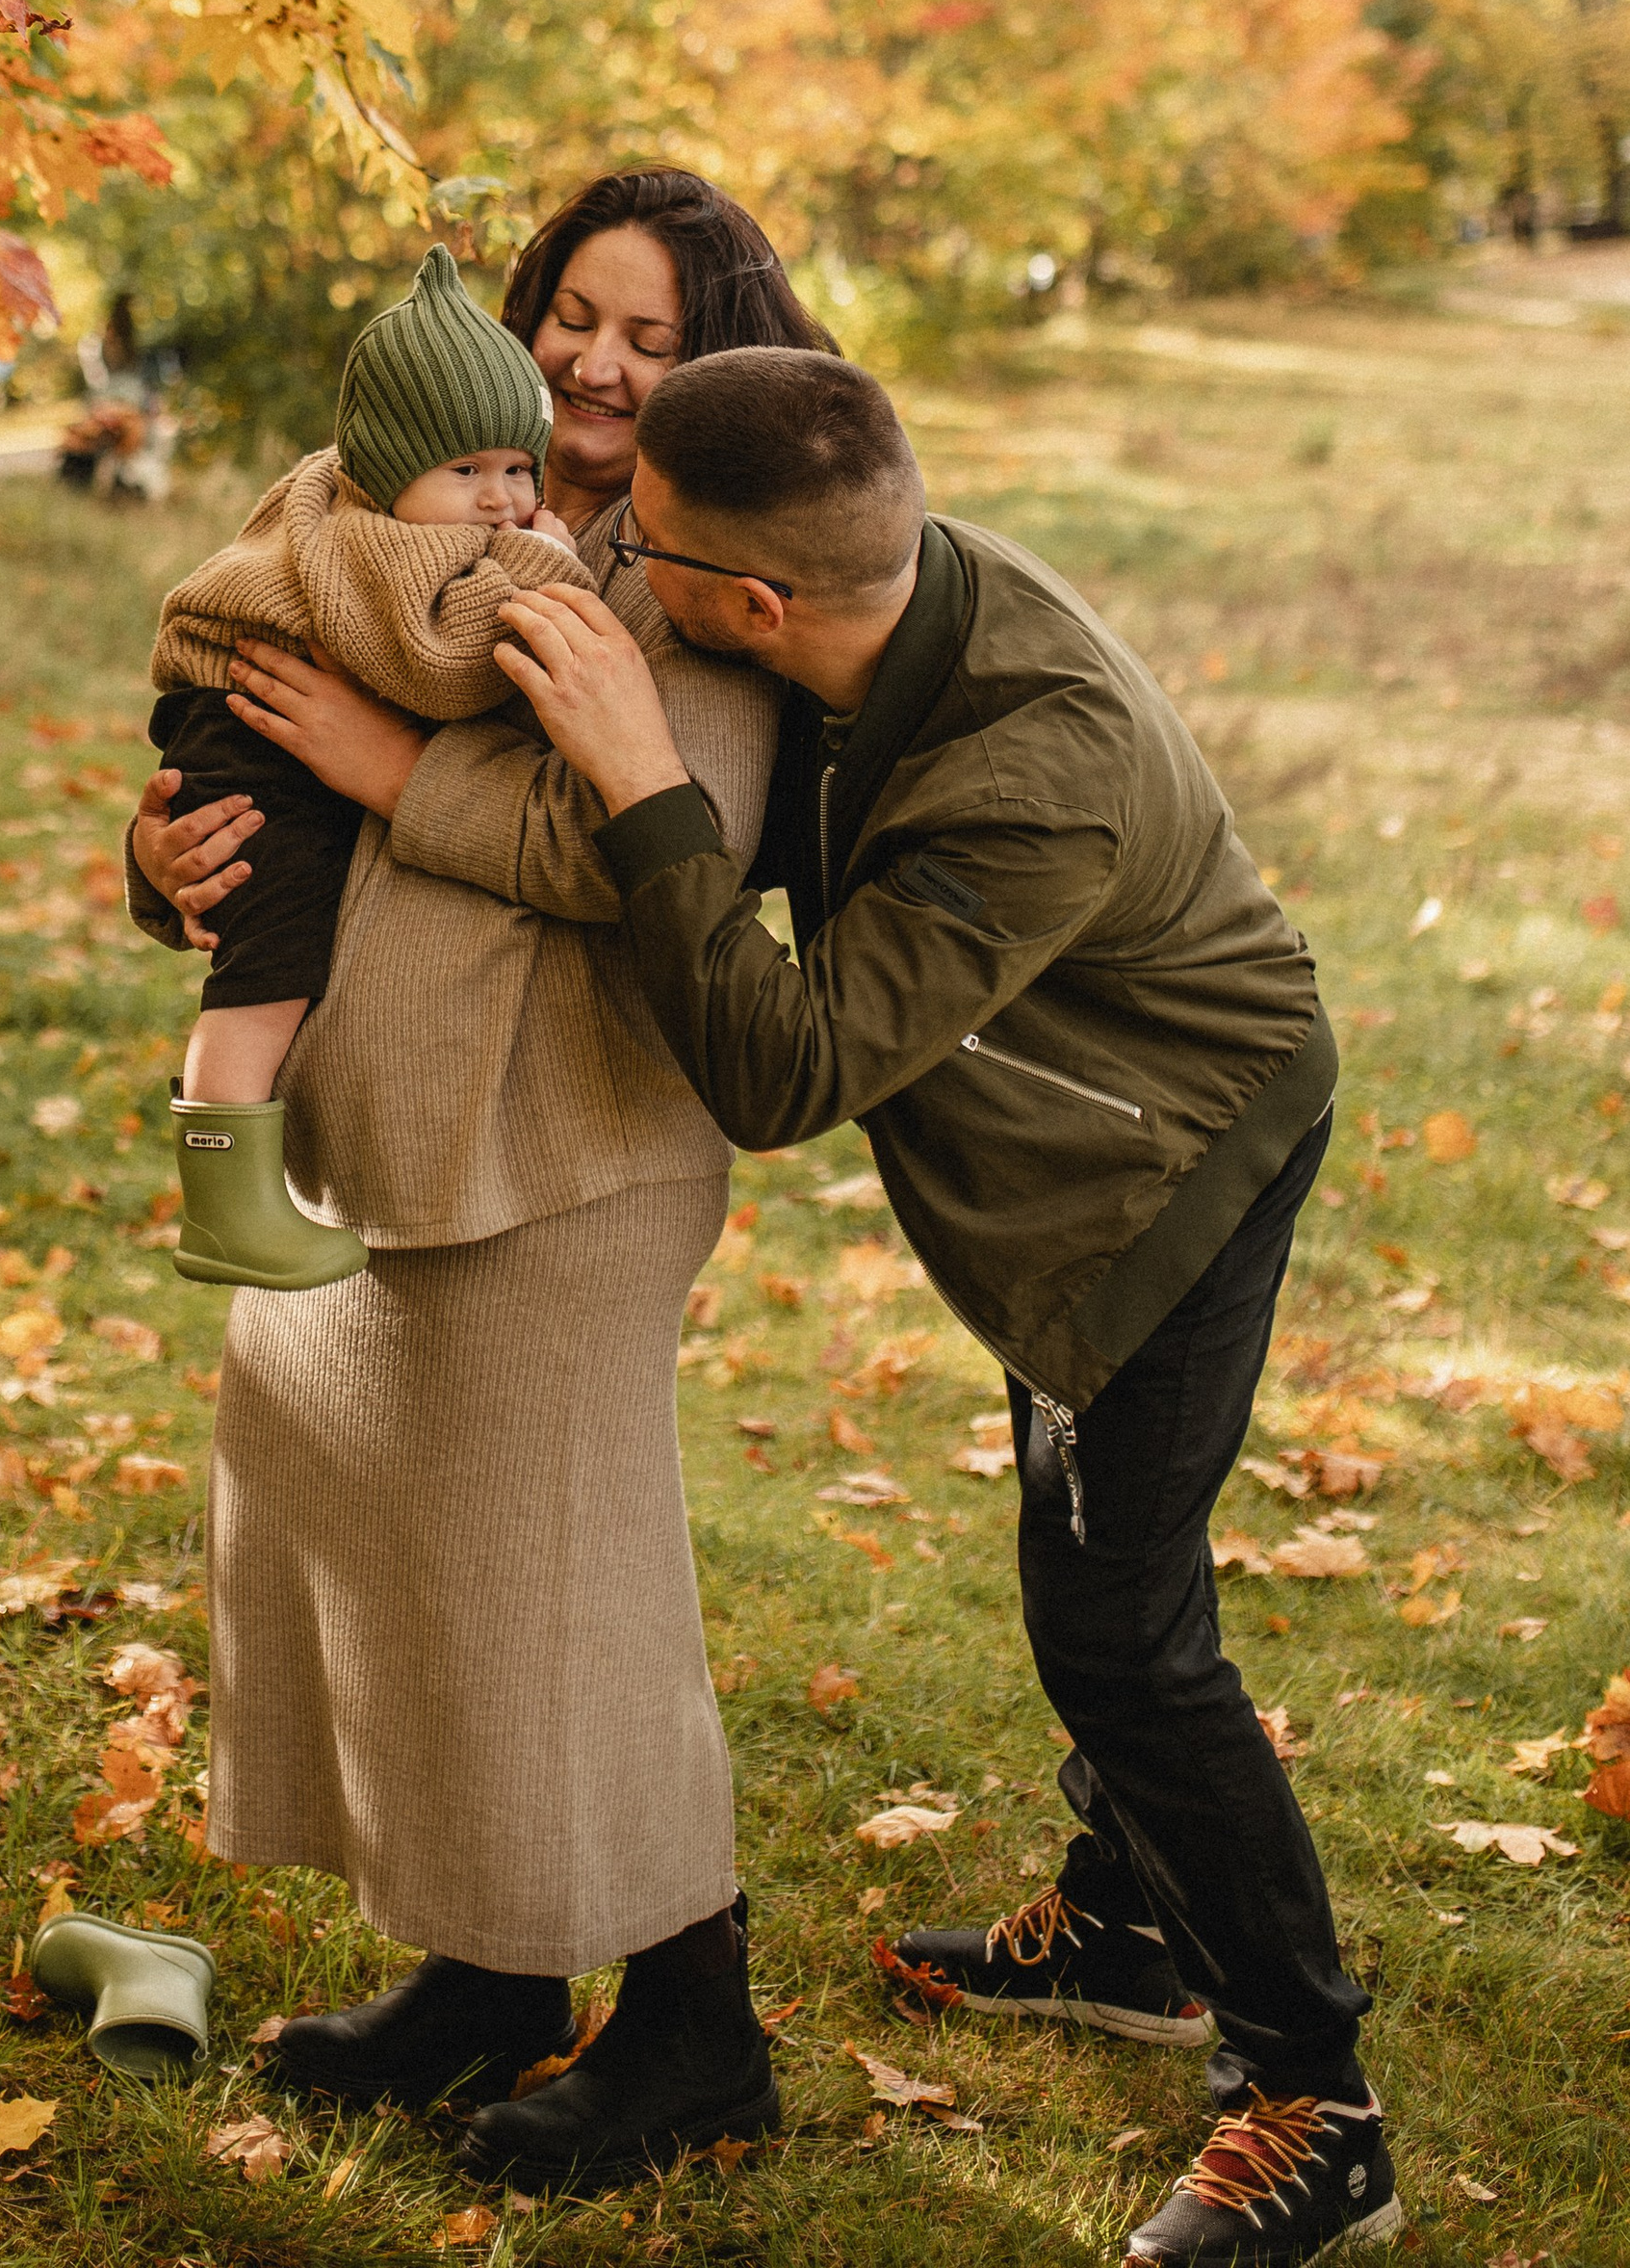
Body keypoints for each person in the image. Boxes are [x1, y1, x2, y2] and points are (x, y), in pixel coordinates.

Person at [479, 343, 1393, 2256]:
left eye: (642, 551)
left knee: (1118, 1622)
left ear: (755, 600)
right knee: (1095, 1579)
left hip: (1167, 1157)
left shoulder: (1026, 762)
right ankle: (1130, 1925)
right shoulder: (857, 616)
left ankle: (1313, 2096)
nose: (614, 572)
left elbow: (787, 1066)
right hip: (1076, 1116)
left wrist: (639, 783)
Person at [126, 173, 835, 2178]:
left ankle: (697, 2026)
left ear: (719, 363)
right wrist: (166, 849)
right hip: (367, 1122)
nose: (599, 365)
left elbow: (637, 839)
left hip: (569, 1136)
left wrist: (381, 762)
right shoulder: (415, 484)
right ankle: (488, 1971)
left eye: (651, 335)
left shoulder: (710, 554)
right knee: (401, 1559)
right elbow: (238, 699)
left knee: (559, 1590)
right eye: (572, 317)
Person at [149, 244, 588, 1290]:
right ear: (392, 470)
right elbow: (440, 667)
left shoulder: (386, 515)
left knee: (273, 949)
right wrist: (546, 565)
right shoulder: (388, 541)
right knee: (267, 962)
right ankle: (223, 1203)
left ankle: (234, 1194)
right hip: (254, 736)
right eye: (466, 471)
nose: (499, 499)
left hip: (248, 724)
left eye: (517, 468)